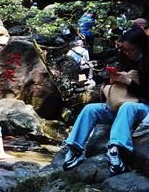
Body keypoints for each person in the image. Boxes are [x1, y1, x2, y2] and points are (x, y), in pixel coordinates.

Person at [63, 26, 149, 175]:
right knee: (90, 109)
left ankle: (115, 148)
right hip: (121, 105)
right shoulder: (125, 59)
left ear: (141, 46)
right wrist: (114, 81)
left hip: (142, 108)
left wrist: (129, 82)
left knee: (128, 107)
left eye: (131, 50)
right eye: (125, 50)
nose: (128, 54)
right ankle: (75, 148)